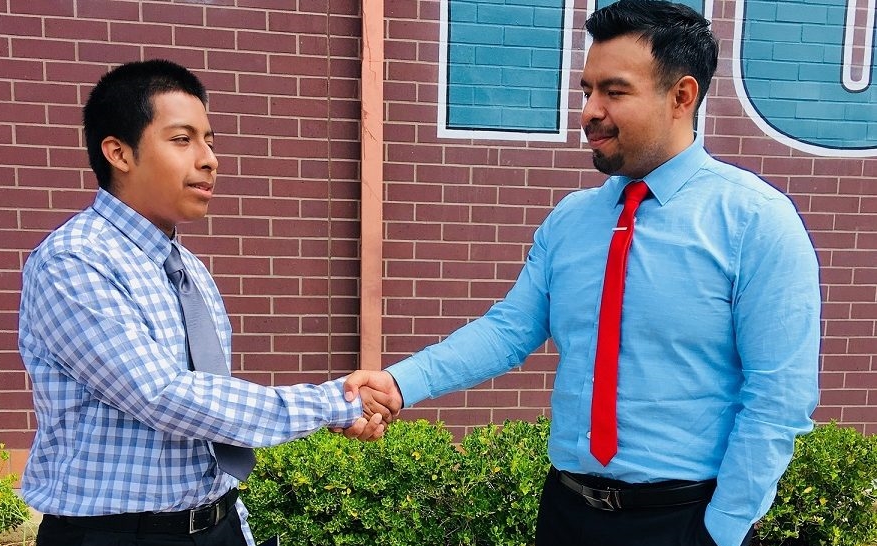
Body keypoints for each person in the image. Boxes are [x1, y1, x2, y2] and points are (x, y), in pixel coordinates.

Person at [345, 1, 821, 545]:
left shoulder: (756, 222)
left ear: (681, 96)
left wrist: (724, 529)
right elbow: (510, 330)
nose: (589, 110)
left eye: (613, 92)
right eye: (586, 90)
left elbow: (778, 397)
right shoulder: (572, 220)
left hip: (684, 521)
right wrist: (400, 383)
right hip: (568, 512)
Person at [18, 59, 385, 546]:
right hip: (118, 535)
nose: (209, 158)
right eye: (182, 139)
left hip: (216, 526)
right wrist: (329, 404)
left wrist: (234, 524)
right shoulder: (74, 261)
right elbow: (163, 396)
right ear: (118, 153)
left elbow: (210, 416)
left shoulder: (187, 269)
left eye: (209, 140)